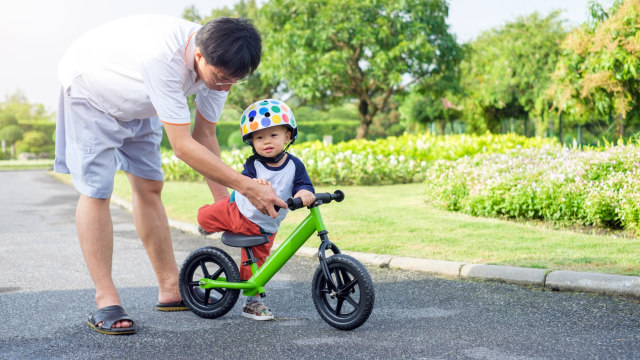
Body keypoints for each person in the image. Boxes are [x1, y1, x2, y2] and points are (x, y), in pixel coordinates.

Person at [55, 14, 287, 335]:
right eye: (221, 78)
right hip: (93, 90)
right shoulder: (162, 58)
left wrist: (227, 208)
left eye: (235, 80)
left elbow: (204, 136)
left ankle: (169, 288)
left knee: (150, 185)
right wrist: (247, 187)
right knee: (97, 190)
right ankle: (106, 299)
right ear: (199, 56)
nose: (225, 86)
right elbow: (182, 145)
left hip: (141, 100)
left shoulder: (223, 66)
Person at [197, 99, 315, 320]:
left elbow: (303, 185)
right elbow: (244, 181)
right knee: (207, 215)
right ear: (251, 141)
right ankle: (206, 224)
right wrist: (254, 185)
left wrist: (303, 194)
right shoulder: (254, 164)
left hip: (264, 226)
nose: (266, 142)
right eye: (259, 137)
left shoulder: (295, 165)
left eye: (273, 135)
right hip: (238, 211)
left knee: (257, 269)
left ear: (287, 137)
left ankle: (252, 302)